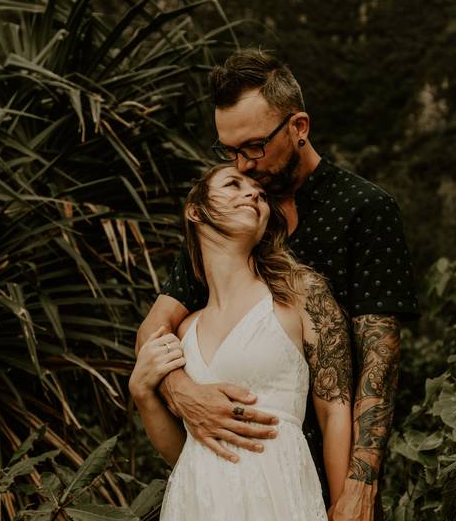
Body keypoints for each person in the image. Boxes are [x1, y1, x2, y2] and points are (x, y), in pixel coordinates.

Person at [136, 49, 418, 520]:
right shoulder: (230, 224)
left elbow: (379, 363)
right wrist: (180, 390)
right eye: (228, 153)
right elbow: (155, 329)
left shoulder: (364, 210)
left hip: (311, 474)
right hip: (218, 479)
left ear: (299, 127)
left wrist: (358, 488)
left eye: (253, 147)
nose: (243, 167)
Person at [129, 164, 352, 519]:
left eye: (261, 195)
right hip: (197, 502)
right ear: (195, 211)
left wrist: (345, 505)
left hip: (278, 494)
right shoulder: (184, 330)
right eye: (233, 185)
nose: (253, 195)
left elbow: (335, 410)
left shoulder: (300, 296)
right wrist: (143, 396)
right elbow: (185, 451)